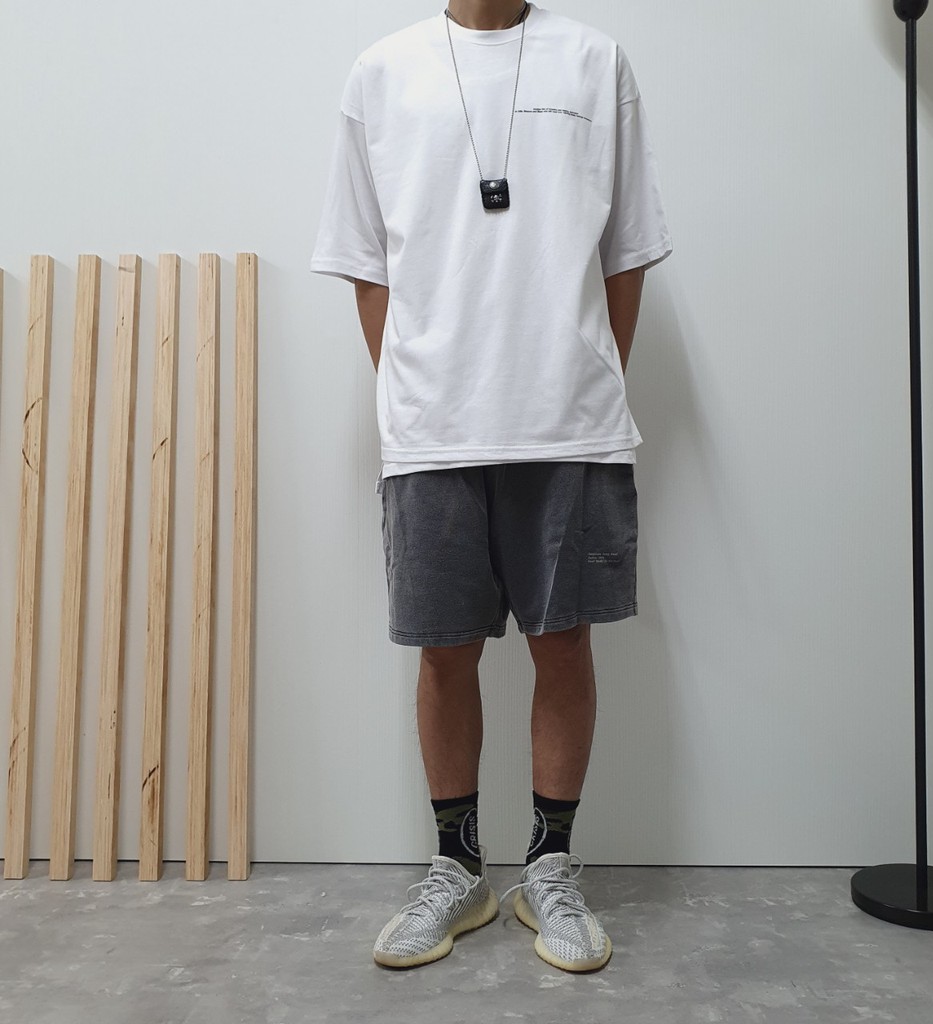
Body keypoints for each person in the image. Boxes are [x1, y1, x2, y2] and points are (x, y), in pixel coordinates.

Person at [310, 0, 672, 973]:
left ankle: (550, 868)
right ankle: (458, 868)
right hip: (433, 425)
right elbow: (365, 263)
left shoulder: (595, 61)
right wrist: (417, 391)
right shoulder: (382, 72)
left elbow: (628, 250)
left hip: (568, 418)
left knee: (565, 642)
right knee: (443, 651)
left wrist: (584, 375)